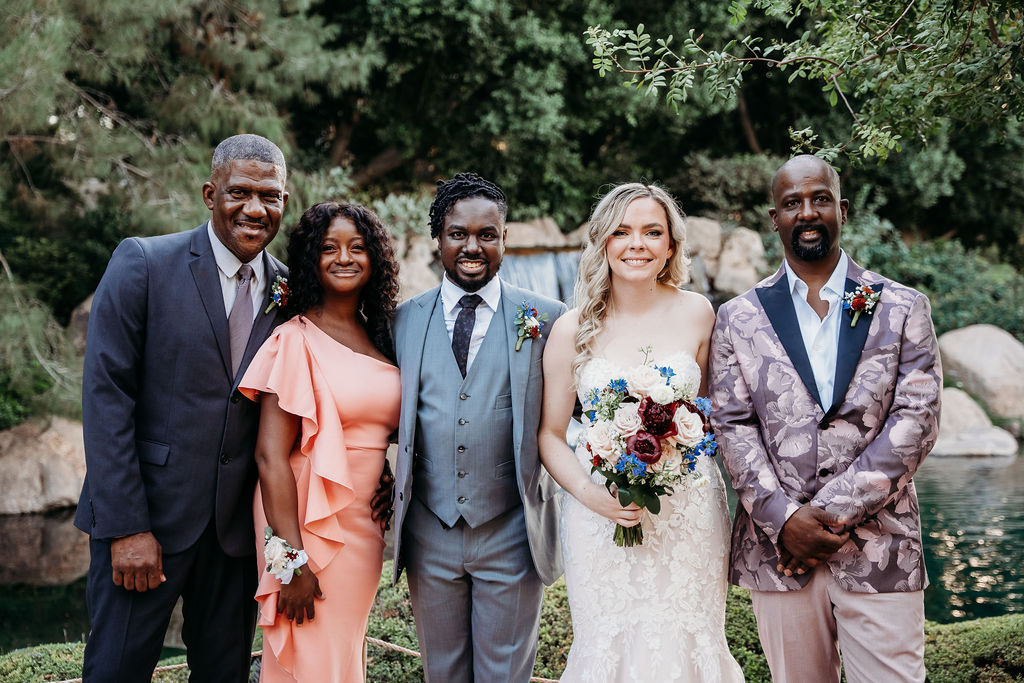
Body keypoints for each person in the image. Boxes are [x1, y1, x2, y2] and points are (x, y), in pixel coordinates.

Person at [710, 155, 942, 683]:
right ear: (775, 219)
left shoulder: (903, 306)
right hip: (780, 556)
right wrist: (784, 521)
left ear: (842, 209)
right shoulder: (738, 318)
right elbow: (731, 425)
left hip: (880, 547)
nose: (807, 212)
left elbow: (916, 420)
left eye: (819, 199)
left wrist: (823, 515)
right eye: (792, 203)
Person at [74, 133, 290, 681]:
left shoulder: (289, 289)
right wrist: (126, 529)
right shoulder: (144, 263)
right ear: (209, 193)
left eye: (271, 196)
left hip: (235, 538)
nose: (255, 208)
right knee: (115, 671)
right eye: (240, 192)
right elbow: (106, 401)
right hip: (147, 525)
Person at [537, 182, 744, 681]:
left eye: (653, 232)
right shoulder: (571, 328)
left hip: (688, 513)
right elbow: (549, 434)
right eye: (623, 231)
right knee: (609, 646)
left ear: (671, 246)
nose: (637, 244)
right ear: (603, 241)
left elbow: (710, 414)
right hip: (599, 516)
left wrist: (679, 448)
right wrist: (592, 494)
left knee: (690, 641)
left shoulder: (699, 312)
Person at [390, 172, 566, 682]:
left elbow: (577, 416)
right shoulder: (402, 321)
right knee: (440, 674)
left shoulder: (549, 319)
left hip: (512, 529)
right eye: (458, 234)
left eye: (487, 234)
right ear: (438, 239)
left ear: (505, 238)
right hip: (429, 529)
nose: (472, 246)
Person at [236, 201, 400, 682]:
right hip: (304, 517)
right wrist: (291, 561)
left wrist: (387, 473)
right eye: (329, 248)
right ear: (311, 258)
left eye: (357, 247)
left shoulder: (381, 336)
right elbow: (270, 457)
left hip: (364, 523)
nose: (344, 257)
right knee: (311, 656)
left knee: (342, 655)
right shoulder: (294, 338)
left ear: (375, 258)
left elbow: (371, 432)